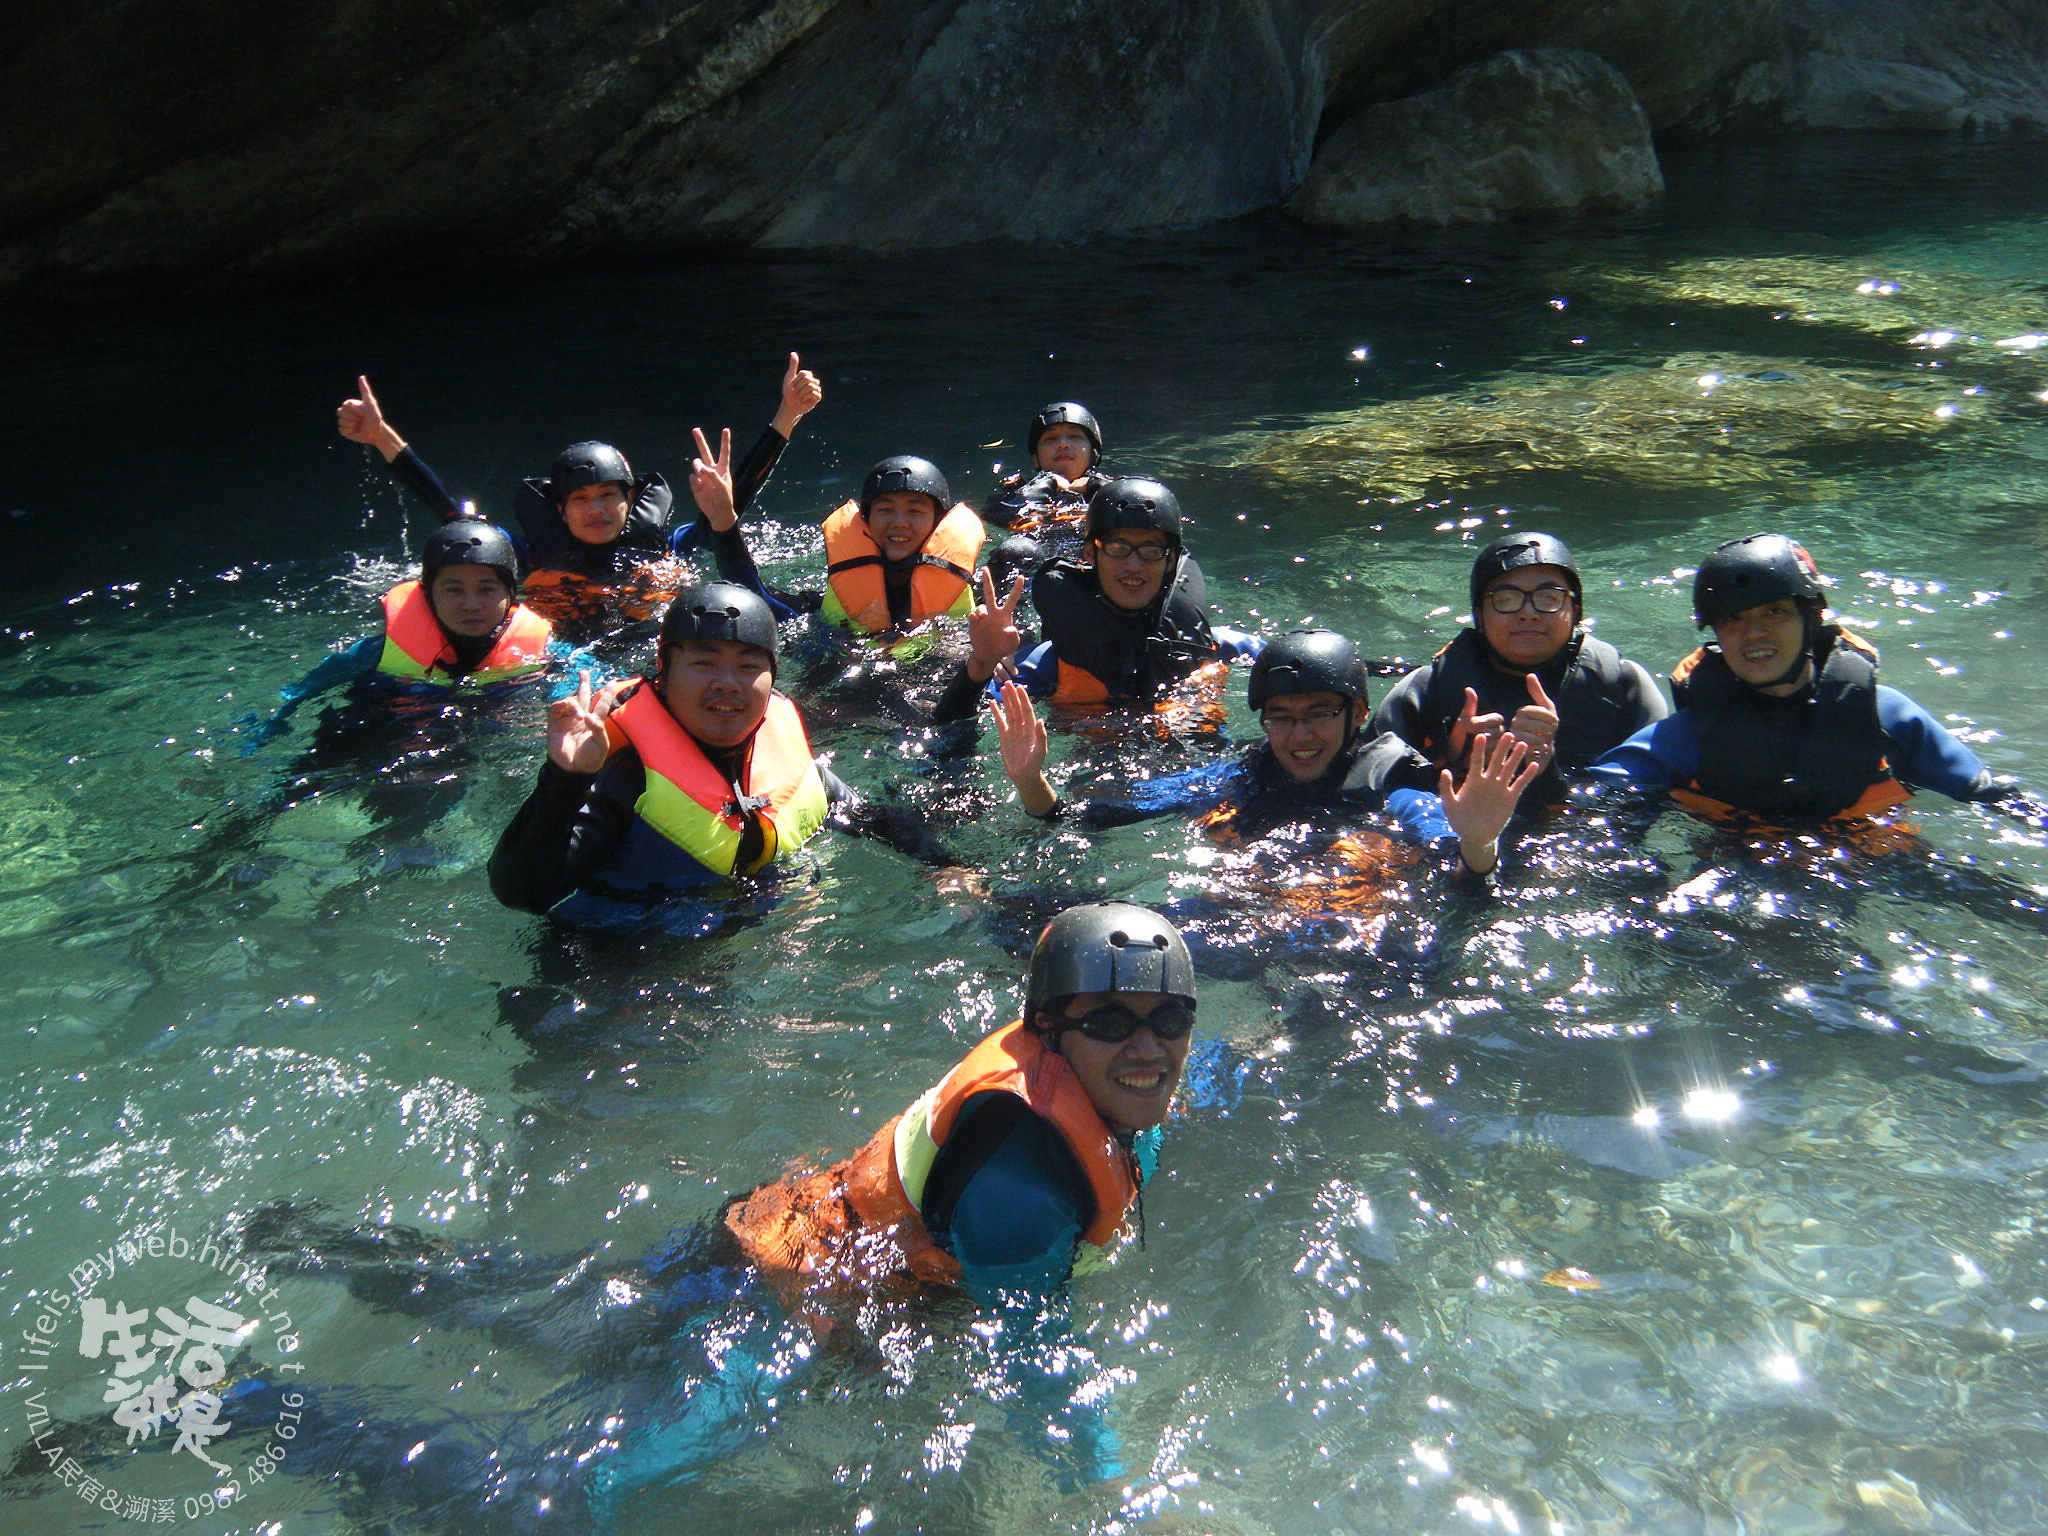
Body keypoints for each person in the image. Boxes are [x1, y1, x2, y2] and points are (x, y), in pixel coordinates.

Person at [239, 903, 1200, 1520]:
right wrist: (1108, 1489)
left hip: (754, 1228)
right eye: (1110, 1022)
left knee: (550, 1312)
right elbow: (1037, 1365)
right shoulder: (1026, 1195)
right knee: (566, 1501)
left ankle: (319, 1249)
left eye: (1170, 1021)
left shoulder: (1099, 1088)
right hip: (775, 1302)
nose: (1147, 1048)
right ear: (1050, 1032)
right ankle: (250, 1406)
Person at [487, 579, 951, 919]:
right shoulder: (626, 780)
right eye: (704, 663)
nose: (727, 685)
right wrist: (565, 781)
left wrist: (948, 867)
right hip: (625, 971)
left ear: (772, 680)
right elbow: (522, 893)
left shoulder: (787, 759)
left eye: (749, 666)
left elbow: (870, 817)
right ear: (662, 673)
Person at [991, 629, 1542, 886]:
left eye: (1319, 713)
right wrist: (1031, 782)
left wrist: (1479, 843)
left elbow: (1466, 874)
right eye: (1281, 716)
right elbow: (1100, 814)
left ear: (1357, 714)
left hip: (1349, 937)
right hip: (1253, 903)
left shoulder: (1392, 780)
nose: (1300, 735)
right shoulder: (1246, 770)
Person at [334, 355, 822, 633]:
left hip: (645, 644)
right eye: (582, 499)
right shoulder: (523, 555)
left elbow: (730, 508)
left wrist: (787, 416)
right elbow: (447, 510)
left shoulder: (667, 546)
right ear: (560, 509)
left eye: (609, 496)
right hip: (556, 655)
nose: (598, 510)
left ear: (630, 502)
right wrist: (382, 438)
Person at [1586, 533, 2038, 825]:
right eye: (1733, 619)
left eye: (1775, 612)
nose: (1754, 633)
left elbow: (1990, 794)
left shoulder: (1887, 716)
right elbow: (1591, 805)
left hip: (1880, 867)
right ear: (1716, 633)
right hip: (1740, 881)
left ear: (1813, 617)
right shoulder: (1684, 739)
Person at [932, 476, 1260, 727]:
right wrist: (980, 665)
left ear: (1172, 560)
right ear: (1090, 553)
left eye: (1150, 551)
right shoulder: (1046, 664)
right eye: (1118, 548)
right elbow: (949, 729)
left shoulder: (1215, 644)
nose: (1134, 565)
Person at [1370, 532, 1669, 806]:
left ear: (1576, 611)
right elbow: (1366, 786)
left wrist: (1545, 769)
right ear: (1479, 615)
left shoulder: (1623, 685)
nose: (1528, 613)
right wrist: (1453, 760)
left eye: (1549, 598)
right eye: (1506, 600)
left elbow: (1645, 802)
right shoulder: (1425, 690)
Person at [239, 519, 564, 749]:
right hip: (371, 727)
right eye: (453, 590)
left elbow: (584, 680)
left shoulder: (542, 650)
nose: (471, 604)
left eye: (486, 589)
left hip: (456, 743)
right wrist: (273, 723)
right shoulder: (376, 652)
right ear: (427, 594)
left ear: (510, 595)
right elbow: (306, 687)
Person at [692, 447, 985, 653]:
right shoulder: (833, 602)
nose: (899, 523)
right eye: (885, 510)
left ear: (939, 522)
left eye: (915, 511)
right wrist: (723, 523)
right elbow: (756, 599)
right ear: (865, 521)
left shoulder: (975, 601)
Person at [980, 401, 1110, 582]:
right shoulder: (1016, 491)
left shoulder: (1114, 489)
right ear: (1036, 459)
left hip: (1092, 562)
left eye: (1074, 437)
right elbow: (1000, 517)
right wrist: (1046, 482)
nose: (1063, 444)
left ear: (1093, 454)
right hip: (1035, 562)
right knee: (1016, 549)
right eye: (1051, 439)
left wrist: (1096, 486)